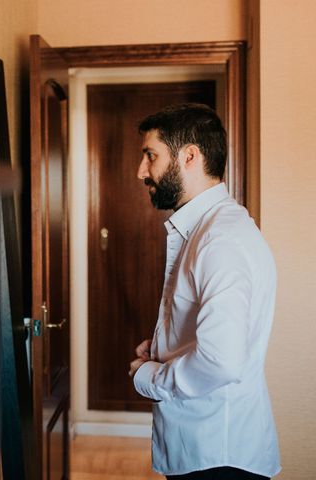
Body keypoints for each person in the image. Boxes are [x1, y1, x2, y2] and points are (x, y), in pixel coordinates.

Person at [128, 103, 280, 479]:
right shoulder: (212, 228)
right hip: (208, 449)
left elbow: (221, 360)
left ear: (190, 156)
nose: (141, 171)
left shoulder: (219, 239)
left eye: (151, 156)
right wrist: (168, 346)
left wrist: (148, 376)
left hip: (217, 455)